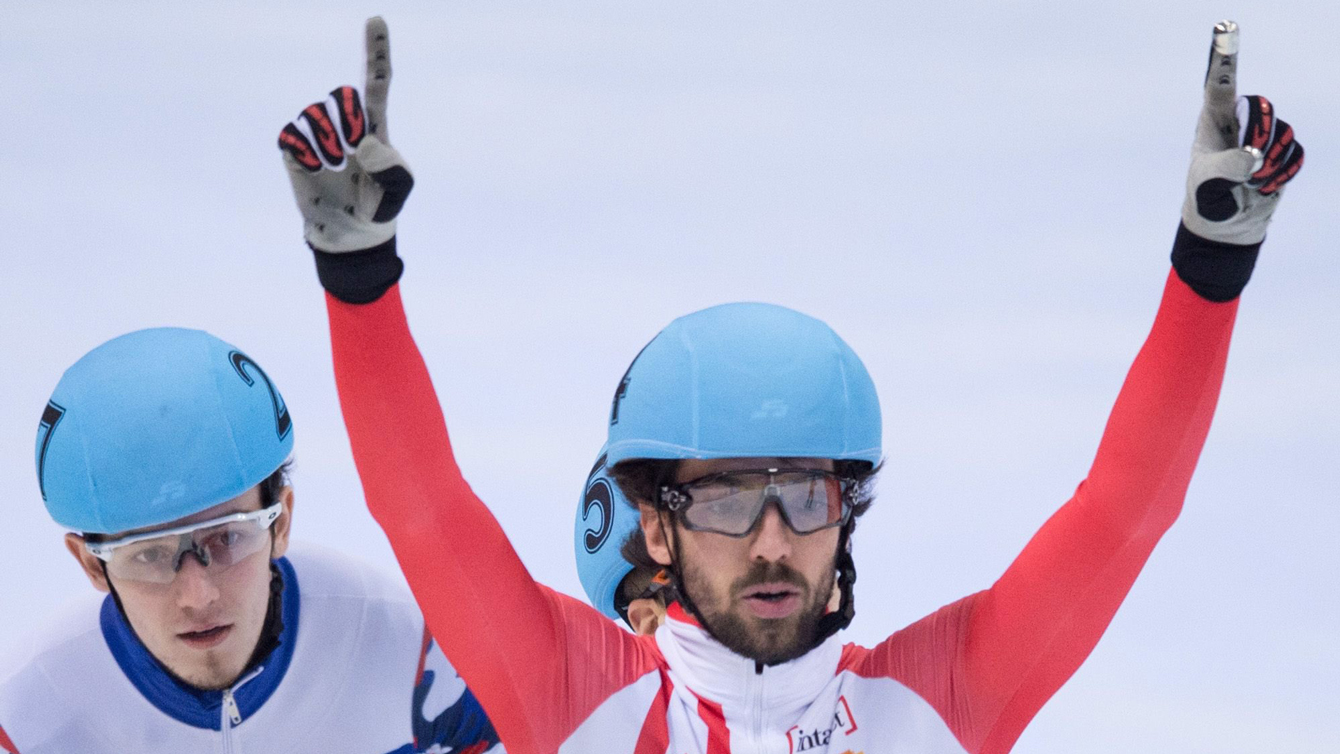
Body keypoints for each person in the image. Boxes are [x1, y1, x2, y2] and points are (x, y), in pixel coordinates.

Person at [279, 17, 1303, 753]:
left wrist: (1207, 268)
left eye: (803, 496)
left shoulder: (932, 708)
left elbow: (1124, 512)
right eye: (726, 498)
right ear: (658, 527)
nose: (771, 539)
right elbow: (420, 510)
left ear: (844, 512)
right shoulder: (575, 697)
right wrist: (360, 283)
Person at [0, 327, 502, 754]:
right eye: (149, 555)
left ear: (280, 522)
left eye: (226, 539)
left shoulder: (397, 643)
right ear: (91, 565)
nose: (199, 596)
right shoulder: (29, 721)